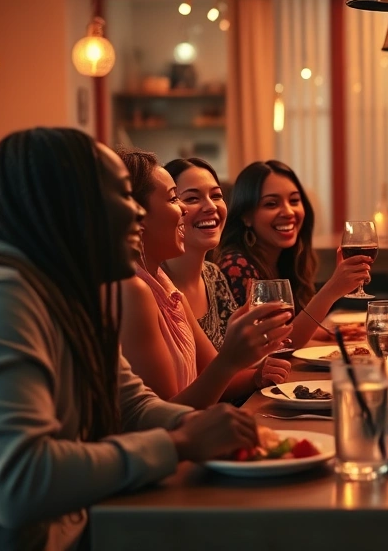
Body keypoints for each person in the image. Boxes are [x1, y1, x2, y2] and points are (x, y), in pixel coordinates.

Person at [0, 128, 264, 549]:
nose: (137, 214)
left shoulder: (72, 291)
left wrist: (197, 423)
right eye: (123, 196)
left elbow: (130, 403)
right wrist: (178, 443)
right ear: (70, 209)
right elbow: (18, 483)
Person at [116, 149, 293, 408]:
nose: (184, 211)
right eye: (174, 199)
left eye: (217, 195)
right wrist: (231, 358)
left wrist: (253, 369)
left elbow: (213, 376)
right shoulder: (133, 290)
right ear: (138, 217)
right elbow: (166, 417)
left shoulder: (164, 285)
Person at [216, 160, 371, 348]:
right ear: (246, 216)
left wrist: (329, 333)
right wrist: (332, 290)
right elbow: (277, 346)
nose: (288, 212)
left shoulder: (284, 259)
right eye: (271, 204)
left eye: (294, 200)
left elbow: (288, 329)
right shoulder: (237, 266)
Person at [162, 157, 237, 350]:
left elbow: (236, 355)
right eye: (192, 198)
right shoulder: (156, 285)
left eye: (216, 196)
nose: (211, 206)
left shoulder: (213, 276)